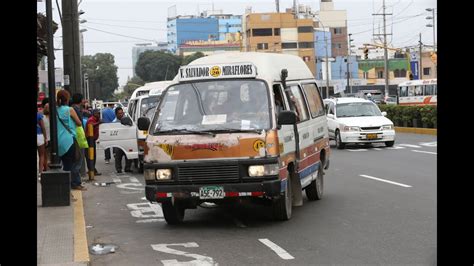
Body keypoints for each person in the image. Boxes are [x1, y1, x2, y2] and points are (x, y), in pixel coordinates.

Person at [56, 90, 86, 191]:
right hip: (69, 140)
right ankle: (71, 186)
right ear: (68, 99)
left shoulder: (55, 110)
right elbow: (79, 123)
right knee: (72, 164)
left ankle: (66, 185)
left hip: (58, 141)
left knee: (63, 164)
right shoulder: (70, 110)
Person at [113, 107, 132, 173]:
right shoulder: (114, 123)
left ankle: (128, 168)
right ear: (116, 114)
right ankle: (118, 169)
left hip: (127, 140)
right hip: (118, 141)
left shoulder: (127, 120)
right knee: (118, 156)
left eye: (122, 113)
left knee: (129, 155)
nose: (121, 114)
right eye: (119, 113)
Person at [71, 93, 86, 177]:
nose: (84, 101)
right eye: (83, 99)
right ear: (80, 100)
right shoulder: (75, 109)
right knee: (78, 159)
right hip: (78, 136)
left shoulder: (75, 108)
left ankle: (76, 180)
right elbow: (79, 123)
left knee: (77, 159)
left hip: (77, 135)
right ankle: (76, 181)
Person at [85, 109, 102, 178]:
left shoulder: (96, 120)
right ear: (94, 114)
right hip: (89, 139)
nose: (99, 115)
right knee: (91, 156)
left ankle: (92, 169)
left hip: (92, 139)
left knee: (93, 155)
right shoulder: (91, 119)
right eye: (98, 113)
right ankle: (91, 170)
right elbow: (90, 125)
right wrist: (98, 123)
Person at [37, 111, 48, 178]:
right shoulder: (39, 115)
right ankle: (40, 173)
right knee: (41, 155)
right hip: (39, 136)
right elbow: (43, 127)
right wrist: (45, 137)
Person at [41, 98, 51, 171]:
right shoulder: (54, 118)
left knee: (45, 156)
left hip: (45, 139)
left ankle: (46, 170)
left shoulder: (41, 118)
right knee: (51, 156)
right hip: (52, 139)